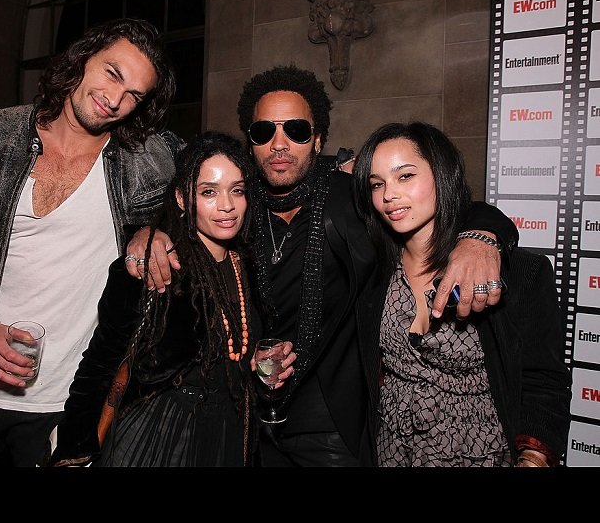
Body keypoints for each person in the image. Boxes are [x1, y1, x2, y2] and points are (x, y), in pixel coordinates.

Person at [127, 65, 519, 466]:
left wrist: (481, 237)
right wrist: (149, 232)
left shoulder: (352, 197)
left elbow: (439, 204)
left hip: (333, 423)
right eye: (264, 132)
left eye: (296, 130)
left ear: (318, 140)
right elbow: (188, 209)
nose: (279, 144)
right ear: (251, 144)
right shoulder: (237, 208)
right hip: (253, 417)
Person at [0, 18, 183, 467]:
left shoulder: (147, 161)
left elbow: (216, 177)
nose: (115, 100)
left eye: (134, 95)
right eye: (112, 73)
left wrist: (150, 230)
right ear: (82, 59)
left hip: (61, 401)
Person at [49, 131, 296, 467]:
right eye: (208, 192)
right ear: (182, 198)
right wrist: (74, 445)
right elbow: (100, 362)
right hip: (160, 436)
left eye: (237, 190)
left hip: (230, 431)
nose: (227, 205)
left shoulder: (247, 265)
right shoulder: (156, 266)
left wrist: (260, 365)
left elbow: (234, 351)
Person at [353, 121, 571, 466]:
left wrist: (534, 455)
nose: (389, 195)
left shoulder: (518, 273)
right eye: (377, 184)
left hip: (481, 455)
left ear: (442, 174)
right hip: (392, 454)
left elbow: (544, 380)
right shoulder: (371, 268)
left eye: (405, 176)